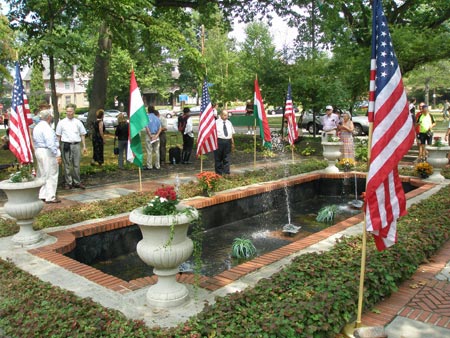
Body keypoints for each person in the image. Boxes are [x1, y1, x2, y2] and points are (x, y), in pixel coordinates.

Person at [32, 109, 62, 203]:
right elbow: (50, 143)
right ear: (49, 117)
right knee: (51, 173)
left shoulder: (37, 127)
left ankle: (42, 194)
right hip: (47, 151)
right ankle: (50, 196)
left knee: (42, 173)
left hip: (39, 150)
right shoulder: (47, 128)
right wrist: (57, 154)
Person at [55, 104, 87, 189]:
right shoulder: (61, 123)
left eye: (70, 111)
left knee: (76, 164)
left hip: (76, 145)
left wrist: (84, 146)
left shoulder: (78, 122)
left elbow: (82, 134)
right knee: (67, 165)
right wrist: (57, 147)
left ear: (74, 112)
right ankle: (68, 182)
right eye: (67, 111)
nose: (69, 113)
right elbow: (58, 136)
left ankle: (77, 181)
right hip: (66, 145)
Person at [214, 110, 235, 175]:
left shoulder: (229, 123)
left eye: (227, 115)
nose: (226, 117)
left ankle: (226, 173)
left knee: (227, 158)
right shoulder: (216, 122)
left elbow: (231, 133)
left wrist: (232, 143)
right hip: (219, 141)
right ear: (221, 115)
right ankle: (218, 174)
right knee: (218, 158)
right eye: (225, 115)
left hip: (227, 142)